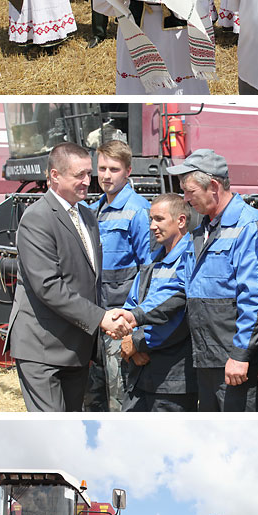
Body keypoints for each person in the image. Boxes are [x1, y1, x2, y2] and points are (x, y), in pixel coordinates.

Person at [7, 141, 128, 413]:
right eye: (79, 175)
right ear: (54, 176)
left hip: (77, 347)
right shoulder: (37, 218)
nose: (88, 181)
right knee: (54, 432)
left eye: (88, 173)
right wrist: (100, 318)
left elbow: (90, 279)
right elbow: (48, 286)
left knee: (73, 430)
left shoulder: (87, 216)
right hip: (42, 348)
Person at [180, 149, 258, 411]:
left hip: (233, 364)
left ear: (214, 186)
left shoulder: (248, 227)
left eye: (190, 191)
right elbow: (182, 286)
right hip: (205, 357)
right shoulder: (202, 230)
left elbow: (254, 296)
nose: (185, 199)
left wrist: (241, 354)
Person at [85, 136, 151, 411]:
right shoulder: (92, 211)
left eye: (114, 169)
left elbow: (149, 271)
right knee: (92, 400)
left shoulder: (138, 211)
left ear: (128, 172)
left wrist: (138, 331)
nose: (106, 176)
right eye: (102, 169)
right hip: (95, 320)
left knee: (119, 401)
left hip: (121, 322)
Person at [120, 194, 197, 411]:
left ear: (181, 221)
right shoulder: (153, 260)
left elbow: (177, 317)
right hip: (140, 373)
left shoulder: (190, 260)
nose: (153, 226)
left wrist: (137, 343)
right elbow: (132, 302)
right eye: (151, 219)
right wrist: (130, 340)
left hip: (171, 381)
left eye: (159, 219)